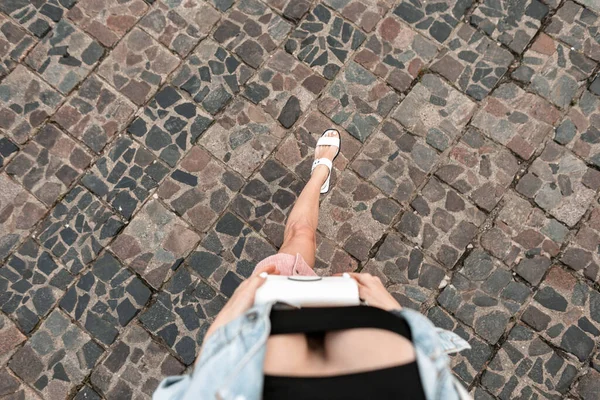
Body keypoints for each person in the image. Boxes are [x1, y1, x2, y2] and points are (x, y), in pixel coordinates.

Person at [153, 130, 472, 400]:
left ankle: (320, 171)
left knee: (300, 234)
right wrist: (396, 315)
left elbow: (186, 391)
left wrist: (238, 303)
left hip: (274, 312)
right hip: (375, 329)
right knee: (303, 235)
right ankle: (320, 172)